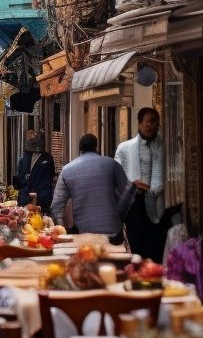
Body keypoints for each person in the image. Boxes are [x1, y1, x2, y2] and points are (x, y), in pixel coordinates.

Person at [50, 133, 134, 238]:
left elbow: (56, 206)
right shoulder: (112, 164)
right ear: (96, 147)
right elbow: (128, 193)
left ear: (80, 149)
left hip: (83, 233)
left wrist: (63, 232)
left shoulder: (67, 170)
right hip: (112, 231)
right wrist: (119, 216)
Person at [115, 107, 169, 262]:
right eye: (147, 121)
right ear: (139, 123)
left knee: (156, 247)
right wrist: (132, 184)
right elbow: (117, 177)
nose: (150, 125)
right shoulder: (124, 148)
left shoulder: (166, 147)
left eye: (154, 121)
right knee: (136, 248)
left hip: (159, 204)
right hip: (135, 204)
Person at [11, 130, 56, 214]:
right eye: (30, 140)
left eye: (34, 139)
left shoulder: (47, 158)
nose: (33, 142)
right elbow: (20, 178)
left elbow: (50, 177)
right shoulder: (24, 158)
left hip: (41, 199)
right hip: (25, 199)